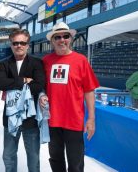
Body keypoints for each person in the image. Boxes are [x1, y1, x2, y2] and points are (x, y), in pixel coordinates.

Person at [39, 22, 99, 172]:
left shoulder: (81, 60)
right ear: (52, 41)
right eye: (57, 37)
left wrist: (91, 119)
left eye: (65, 36)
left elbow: (89, 90)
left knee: (75, 162)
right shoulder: (45, 61)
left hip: (74, 120)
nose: (61, 40)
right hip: (52, 120)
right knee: (55, 159)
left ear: (70, 38)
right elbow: (40, 87)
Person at [0, 29, 46, 172]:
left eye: (22, 43)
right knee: (8, 155)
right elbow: (0, 83)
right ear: (11, 45)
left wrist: (12, 83)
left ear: (27, 45)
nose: (19, 45)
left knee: (33, 156)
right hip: (11, 118)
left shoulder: (36, 63)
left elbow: (38, 85)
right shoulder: (5, 64)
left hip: (30, 118)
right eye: (15, 43)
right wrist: (24, 80)